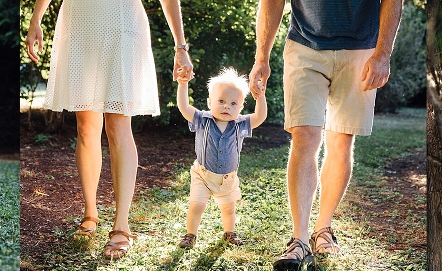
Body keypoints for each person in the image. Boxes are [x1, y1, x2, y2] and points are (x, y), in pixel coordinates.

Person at [25, 0, 193, 259]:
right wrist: (37, 17)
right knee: (86, 126)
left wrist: (180, 46)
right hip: (79, 22)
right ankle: (90, 214)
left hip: (122, 23)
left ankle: (121, 227)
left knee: (118, 125)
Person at [248, 0, 403, 269]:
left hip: (361, 50)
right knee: (304, 136)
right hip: (304, 46)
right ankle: (299, 240)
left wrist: (383, 54)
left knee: (341, 141)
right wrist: (261, 57)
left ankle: (323, 228)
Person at [174, 68, 267, 249]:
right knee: (197, 206)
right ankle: (190, 235)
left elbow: (260, 116)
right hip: (203, 174)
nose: (227, 106)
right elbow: (184, 107)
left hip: (227, 179)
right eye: (221, 101)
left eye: (233, 103)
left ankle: (229, 233)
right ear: (210, 102)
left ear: (240, 108)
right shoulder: (202, 119)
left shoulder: (240, 124)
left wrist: (260, 96)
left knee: (228, 208)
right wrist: (183, 85)